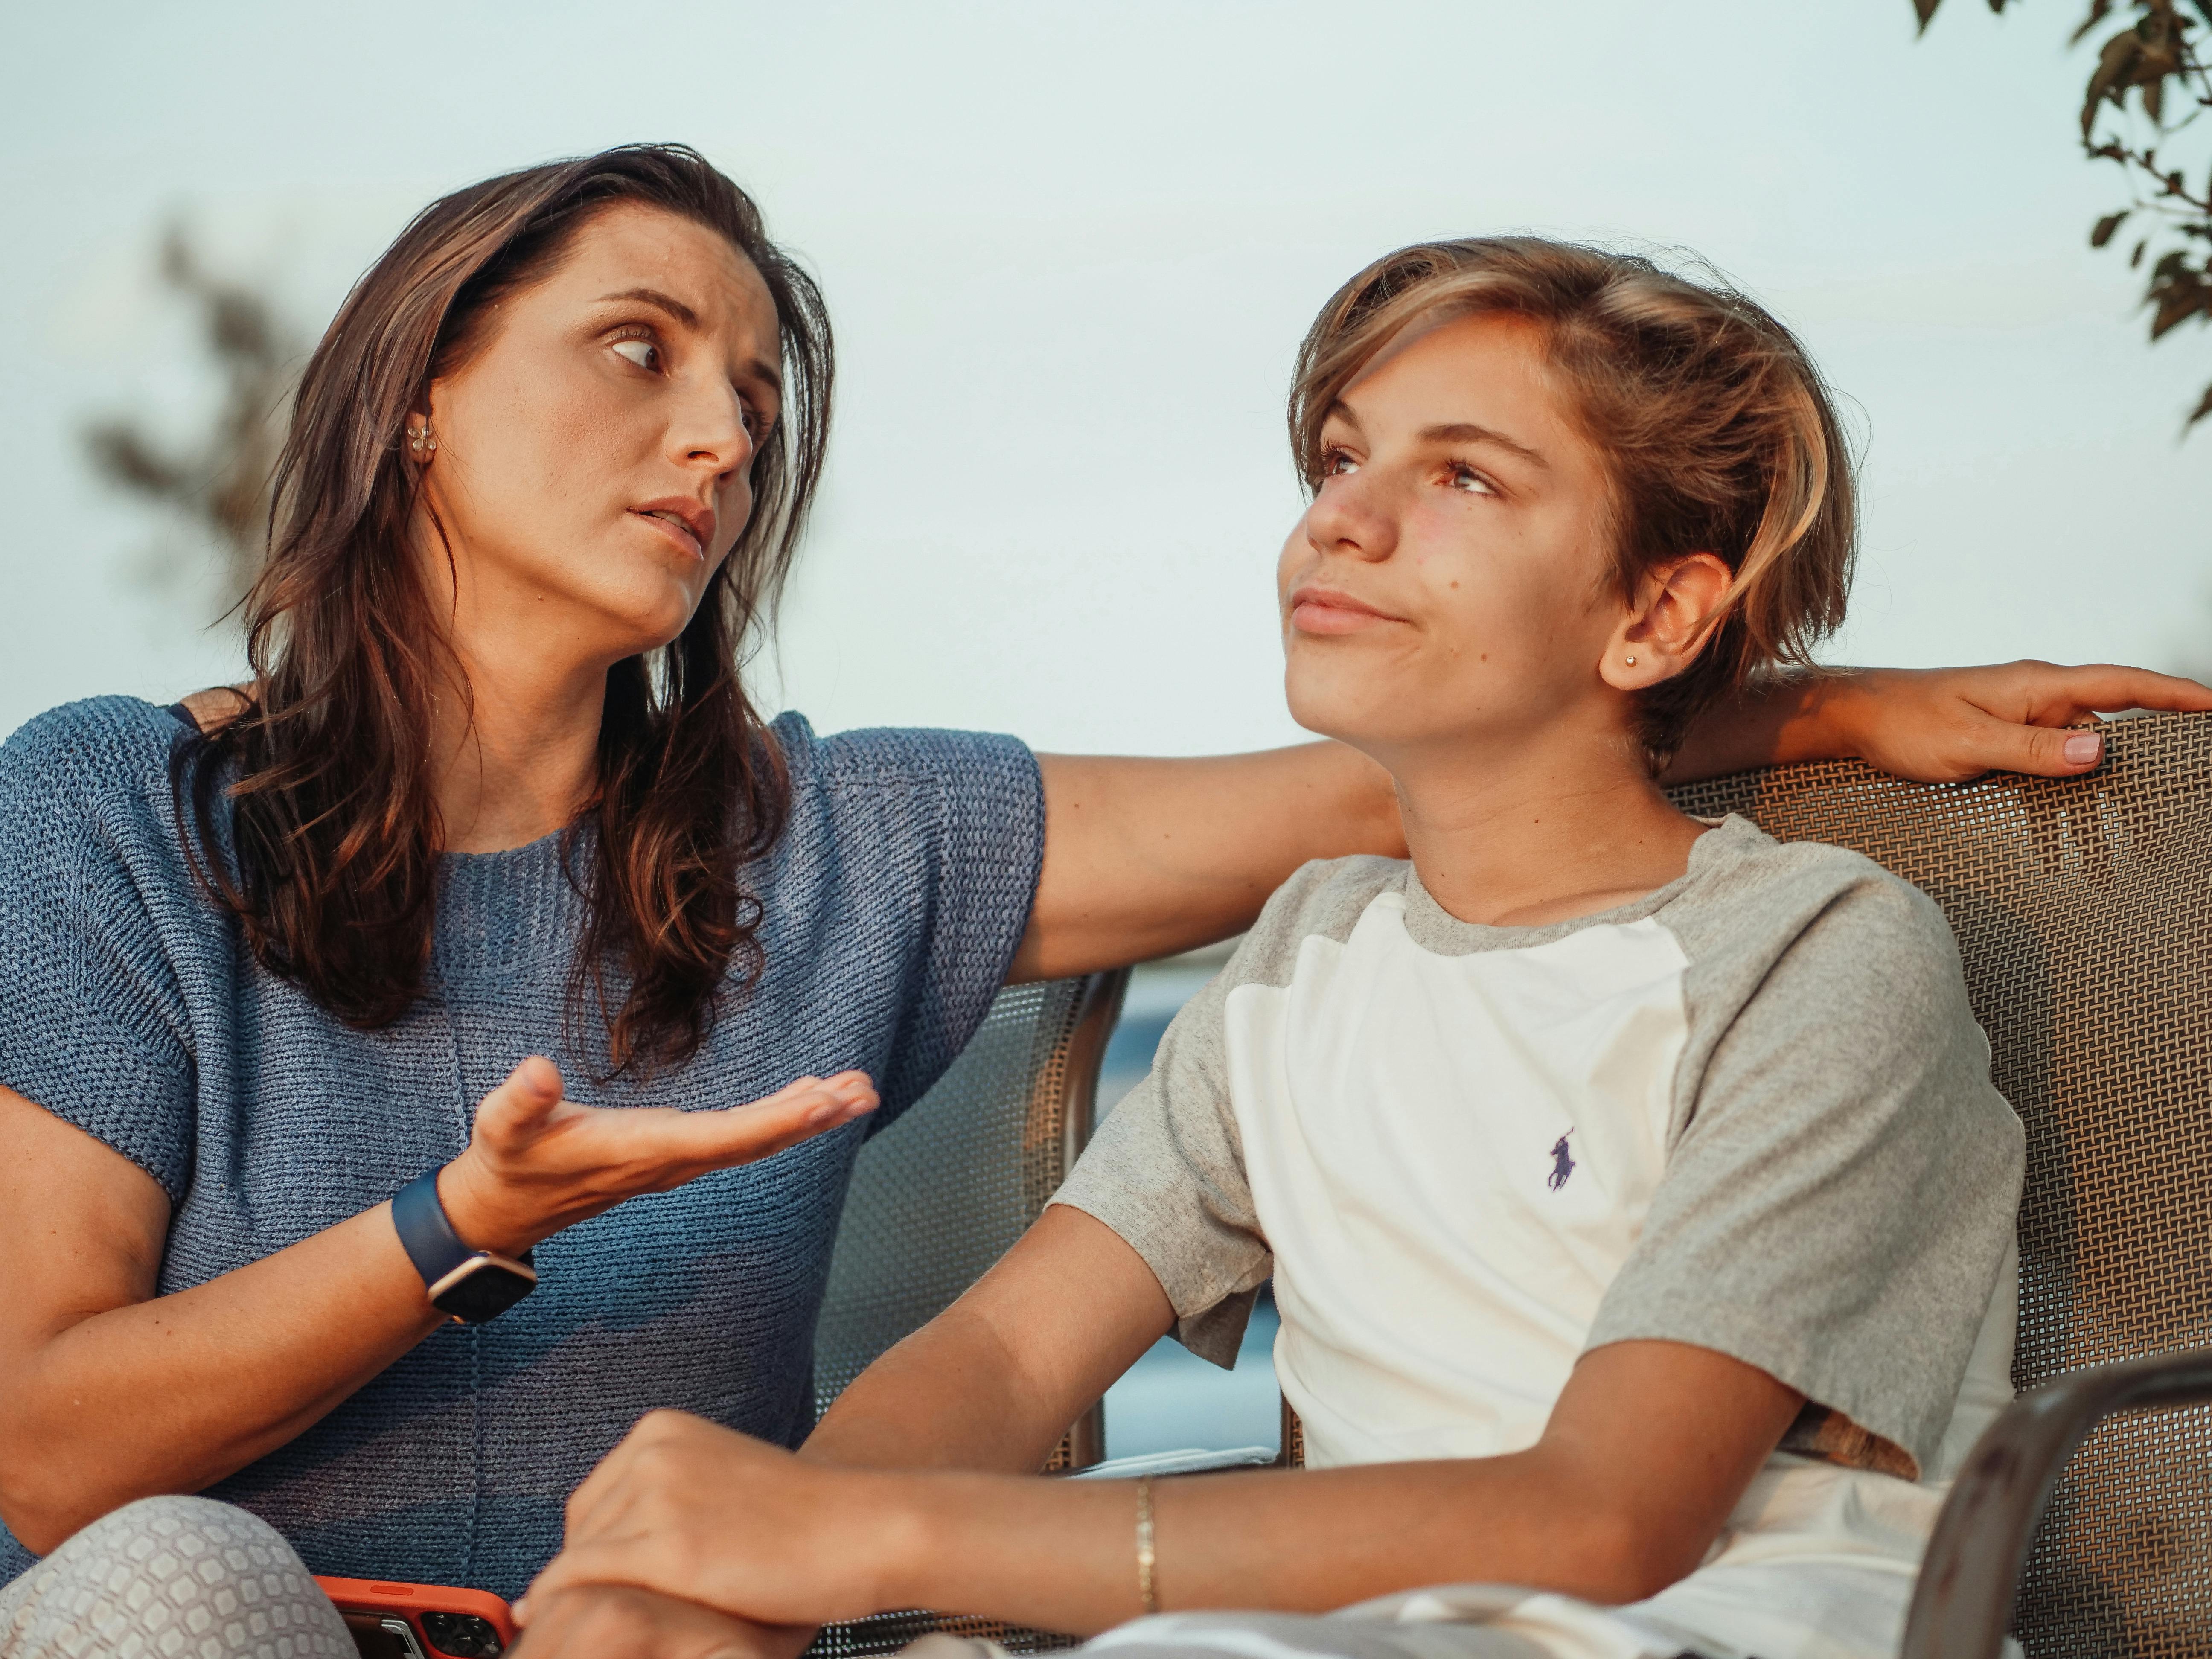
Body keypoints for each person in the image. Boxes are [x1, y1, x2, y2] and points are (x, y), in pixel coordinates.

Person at [0, 143, 2195, 1654]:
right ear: (417, 400)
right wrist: (461, 1237)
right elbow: (36, 1438)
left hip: (714, 1626)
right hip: (254, 1612)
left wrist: (1817, 705)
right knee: (149, 1587)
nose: (722, 443)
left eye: (757, 402)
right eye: (639, 350)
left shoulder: (843, 843)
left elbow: (1438, 765)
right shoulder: (123, 814)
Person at [514, 235, 2130, 1659]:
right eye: (1340, 461)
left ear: (1654, 619)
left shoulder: (1824, 958)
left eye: (1465, 478)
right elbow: (1010, 1349)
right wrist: (734, 1574)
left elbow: (1604, 1526)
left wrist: (877, 1542)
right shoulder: (1312, 957)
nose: (1341, 523)